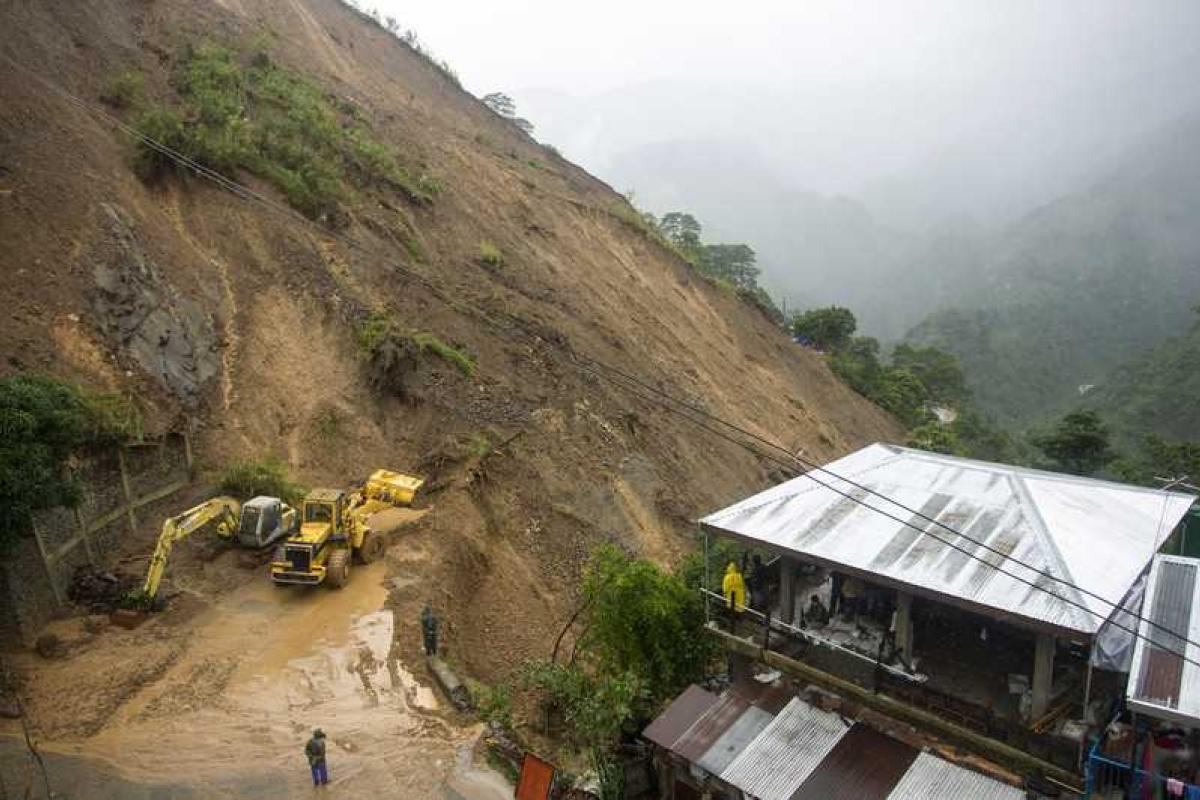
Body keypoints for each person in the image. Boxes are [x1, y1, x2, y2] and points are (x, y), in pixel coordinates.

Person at [722, 562, 746, 634]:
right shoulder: (739, 576)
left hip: (731, 595)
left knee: (732, 607)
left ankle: (733, 622)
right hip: (739, 594)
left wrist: (725, 594)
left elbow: (725, 588)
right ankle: (740, 620)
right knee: (738, 607)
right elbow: (742, 585)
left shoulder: (727, 577)